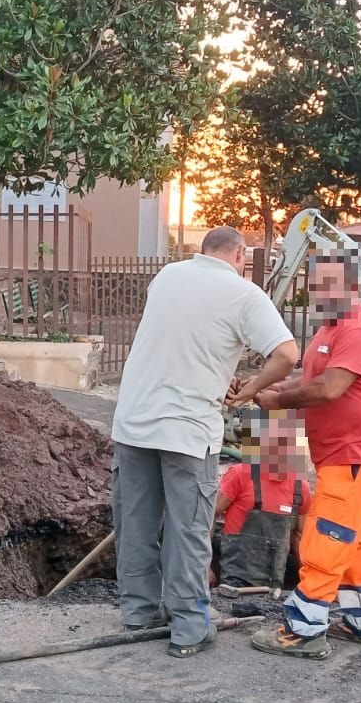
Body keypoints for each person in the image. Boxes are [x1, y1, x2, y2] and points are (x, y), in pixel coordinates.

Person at [111, 226, 299, 658]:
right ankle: (190, 627)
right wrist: (251, 388)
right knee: (188, 529)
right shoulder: (245, 293)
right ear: (240, 255)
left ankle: (139, 613)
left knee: (135, 524)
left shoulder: (167, 276)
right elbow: (286, 354)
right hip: (188, 430)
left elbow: (184, 340)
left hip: (134, 422)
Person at [248, 252, 361, 660]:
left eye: (330, 285)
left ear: (353, 286)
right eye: (315, 287)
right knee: (356, 539)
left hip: (357, 455)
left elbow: (329, 389)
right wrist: (266, 386)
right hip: (342, 454)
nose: (321, 294)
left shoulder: (360, 331)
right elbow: (312, 379)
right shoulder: (331, 330)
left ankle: (304, 628)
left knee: (327, 538)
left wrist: (277, 399)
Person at [214, 411, 312, 591]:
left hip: (275, 587)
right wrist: (203, 568)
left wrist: (311, 582)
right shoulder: (240, 475)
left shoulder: (301, 488)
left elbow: (300, 538)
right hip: (233, 585)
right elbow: (206, 519)